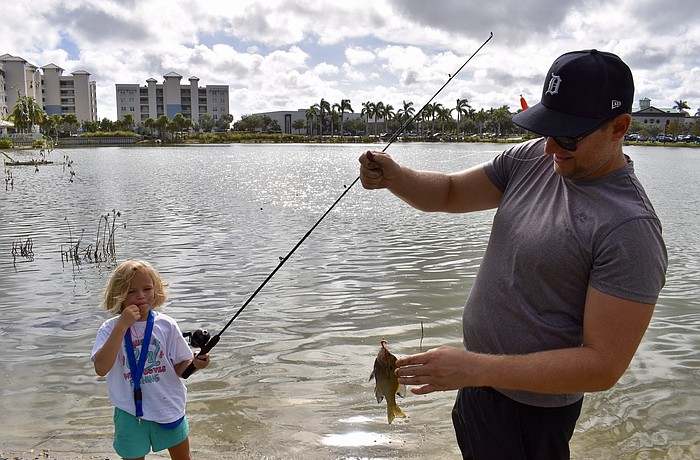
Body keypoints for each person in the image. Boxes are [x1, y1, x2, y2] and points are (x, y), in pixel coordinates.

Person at [358, 49, 667, 459]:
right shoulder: (532, 158)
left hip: (531, 415)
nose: (550, 146)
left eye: (569, 134)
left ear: (619, 127)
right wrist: (397, 178)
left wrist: (474, 367)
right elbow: (449, 192)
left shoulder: (630, 229)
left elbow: (602, 366)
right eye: (548, 127)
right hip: (476, 389)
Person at [92, 259, 211, 460]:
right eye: (131, 291)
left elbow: (181, 367)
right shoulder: (109, 329)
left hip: (167, 405)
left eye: (147, 289)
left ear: (156, 290)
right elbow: (101, 368)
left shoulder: (166, 325)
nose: (140, 296)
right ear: (118, 295)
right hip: (129, 411)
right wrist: (122, 326)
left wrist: (196, 364)